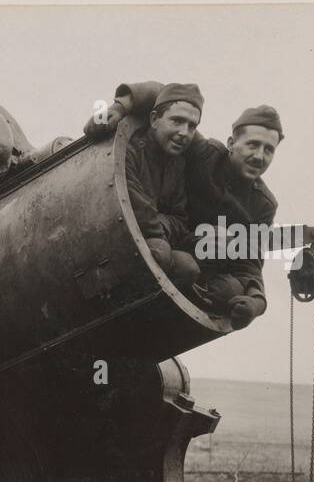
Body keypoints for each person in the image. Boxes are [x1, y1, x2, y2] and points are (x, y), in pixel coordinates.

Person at [88, 83, 301, 329]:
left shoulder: (263, 205)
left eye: (269, 150)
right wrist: (121, 105)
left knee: (230, 290)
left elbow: (250, 262)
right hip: (155, 239)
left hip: (196, 262)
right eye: (253, 144)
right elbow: (167, 95)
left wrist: (256, 302)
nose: (259, 156)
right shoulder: (206, 153)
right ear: (231, 143)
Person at [121, 83, 204, 292]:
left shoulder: (177, 166)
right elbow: (133, 205)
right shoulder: (130, 153)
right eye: (177, 121)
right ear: (154, 120)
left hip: (157, 240)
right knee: (161, 252)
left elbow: (179, 219)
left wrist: (160, 227)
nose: (184, 132)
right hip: (122, 242)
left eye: (192, 126)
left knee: (190, 265)